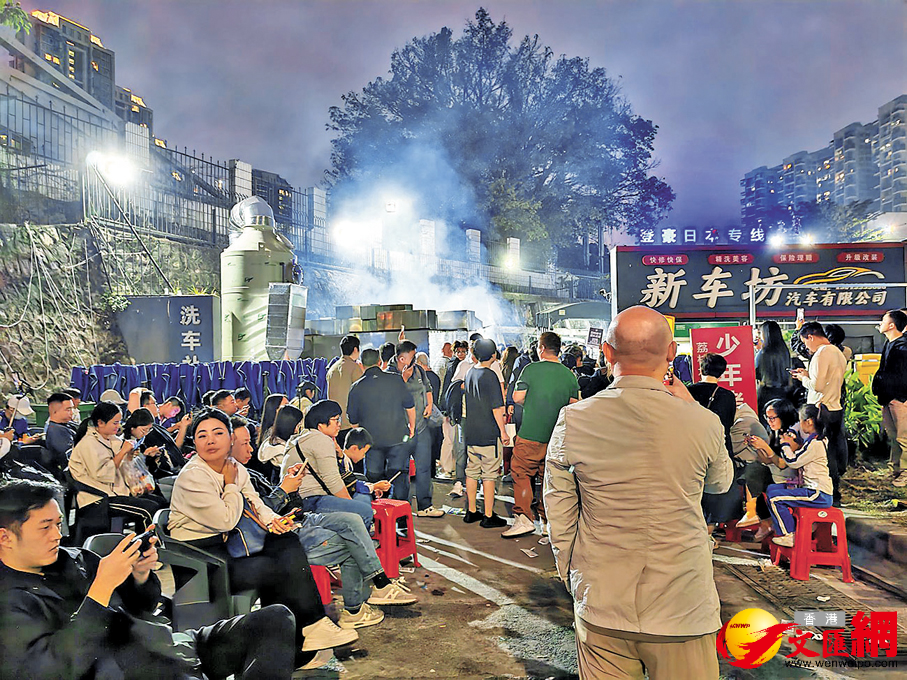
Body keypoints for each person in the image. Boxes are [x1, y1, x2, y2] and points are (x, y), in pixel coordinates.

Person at [544, 306, 732, 680]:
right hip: (682, 604)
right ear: (671, 353)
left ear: (607, 353)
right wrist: (691, 406)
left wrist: (572, 574)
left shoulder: (575, 419)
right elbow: (720, 483)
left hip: (602, 599)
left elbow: (558, 507)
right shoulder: (703, 421)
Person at [0, 479, 299, 679]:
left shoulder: (72, 559)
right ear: (5, 538)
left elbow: (143, 605)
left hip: (165, 646)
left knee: (275, 619)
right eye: (45, 528)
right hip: (130, 668)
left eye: (58, 524)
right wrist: (100, 589)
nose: (57, 535)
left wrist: (140, 575)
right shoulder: (10, 601)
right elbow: (56, 669)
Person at [168, 408, 358, 660]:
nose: (210, 440)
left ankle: (312, 628)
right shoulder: (193, 476)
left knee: (285, 540)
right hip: (201, 560)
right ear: (195, 443)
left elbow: (256, 503)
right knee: (274, 569)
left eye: (217, 433)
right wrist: (230, 485)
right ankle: (296, 644)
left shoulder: (234, 467)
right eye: (202, 435)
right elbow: (226, 520)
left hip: (227, 547)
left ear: (230, 438)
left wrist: (274, 521)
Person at [229, 418, 415, 631]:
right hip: (286, 531)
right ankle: (357, 607)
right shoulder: (232, 478)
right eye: (245, 443)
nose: (251, 448)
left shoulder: (246, 471)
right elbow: (255, 515)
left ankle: (378, 586)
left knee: (353, 520)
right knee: (356, 537)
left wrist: (289, 482)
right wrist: (284, 490)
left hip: (298, 516)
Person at [508, 331, 579, 539]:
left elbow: (517, 397)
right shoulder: (569, 375)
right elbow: (574, 405)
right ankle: (546, 521)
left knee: (521, 472)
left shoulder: (531, 369)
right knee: (547, 477)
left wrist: (532, 404)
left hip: (530, 433)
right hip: (556, 436)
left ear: (541, 348)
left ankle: (524, 519)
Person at [68, 402, 166, 531]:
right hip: (99, 498)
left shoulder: (110, 438)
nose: (118, 426)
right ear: (100, 423)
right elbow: (102, 474)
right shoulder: (88, 444)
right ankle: (147, 542)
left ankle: (154, 539)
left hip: (117, 491)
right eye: (115, 423)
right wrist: (123, 452)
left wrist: (130, 455)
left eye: (119, 422)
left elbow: (123, 465)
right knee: (148, 510)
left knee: (161, 502)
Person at [281, 400, 375, 529]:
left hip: (299, 501)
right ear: (321, 424)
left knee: (362, 499)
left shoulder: (302, 437)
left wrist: (339, 453)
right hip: (311, 501)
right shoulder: (320, 439)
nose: (339, 424)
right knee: (364, 512)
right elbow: (332, 480)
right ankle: (355, 539)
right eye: (336, 420)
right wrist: (351, 504)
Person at [758, 404, 834, 547]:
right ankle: (790, 525)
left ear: (809, 421)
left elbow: (793, 461)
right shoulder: (815, 440)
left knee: (775, 498)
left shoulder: (816, 444)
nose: (799, 424)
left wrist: (785, 444)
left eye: (801, 421)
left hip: (817, 493)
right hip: (812, 490)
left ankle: (789, 534)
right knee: (772, 489)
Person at [347, 348, 416, 502]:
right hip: (398, 437)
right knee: (399, 476)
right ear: (379, 362)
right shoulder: (396, 380)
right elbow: (410, 406)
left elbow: (353, 420)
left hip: (372, 442)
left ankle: (377, 512)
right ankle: (401, 512)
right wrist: (411, 427)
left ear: (361, 365)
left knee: (374, 479)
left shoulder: (357, 387)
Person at [791, 322, 847, 505]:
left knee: (824, 454)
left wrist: (803, 378)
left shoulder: (821, 353)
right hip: (835, 407)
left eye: (805, 342)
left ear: (810, 336)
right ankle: (835, 492)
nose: (806, 347)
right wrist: (808, 374)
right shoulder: (837, 352)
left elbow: (817, 386)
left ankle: (830, 493)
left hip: (821, 409)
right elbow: (827, 380)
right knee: (832, 450)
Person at [387, 341, 444, 518]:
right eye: (412, 356)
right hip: (401, 432)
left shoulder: (419, 370)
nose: (415, 359)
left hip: (421, 427)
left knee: (424, 467)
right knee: (401, 470)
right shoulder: (389, 373)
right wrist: (403, 379)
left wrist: (429, 404)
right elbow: (391, 399)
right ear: (401, 358)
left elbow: (428, 388)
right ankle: (401, 508)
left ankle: (425, 506)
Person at [688, 353, 741, 535]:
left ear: (701, 369)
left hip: (693, 446)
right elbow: (729, 423)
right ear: (723, 372)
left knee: (693, 487)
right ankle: (709, 531)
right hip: (720, 446)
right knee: (717, 489)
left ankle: (694, 528)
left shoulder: (688, 391)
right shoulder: (728, 396)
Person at [462, 338, 510, 528]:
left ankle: (471, 511)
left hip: (471, 432)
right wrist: (503, 432)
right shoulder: (490, 376)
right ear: (493, 355)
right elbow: (497, 408)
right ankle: (488, 516)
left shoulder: (470, 372)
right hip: (489, 433)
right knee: (489, 474)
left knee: (472, 471)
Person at [743, 399, 801, 541]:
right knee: (751, 470)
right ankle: (762, 518)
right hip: (776, 474)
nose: (769, 421)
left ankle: (763, 520)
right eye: (767, 417)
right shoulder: (775, 432)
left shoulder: (792, 435)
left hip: (790, 480)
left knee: (755, 473)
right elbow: (767, 460)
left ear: (784, 416)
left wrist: (765, 447)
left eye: (772, 418)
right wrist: (756, 446)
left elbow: (782, 464)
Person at [872, 310, 907, 487]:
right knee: (893, 437)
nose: (880, 323)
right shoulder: (890, 344)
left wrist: (900, 397)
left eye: (883, 320)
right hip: (888, 398)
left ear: (892, 325)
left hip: (899, 398)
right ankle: (895, 470)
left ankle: (905, 472)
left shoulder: (903, 347)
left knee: (903, 437)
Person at [327, 335, 365, 446]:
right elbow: (361, 394)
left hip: (335, 423)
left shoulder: (332, 368)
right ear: (355, 349)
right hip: (351, 423)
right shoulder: (354, 368)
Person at [754, 320, 792, 422]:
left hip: (767, 393)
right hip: (783, 392)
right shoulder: (784, 351)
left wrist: (758, 351)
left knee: (767, 422)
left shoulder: (763, 352)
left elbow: (756, 373)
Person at [258, 404, 304, 471]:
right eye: (298, 426)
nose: (297, 430)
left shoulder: (271, 441)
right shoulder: (282, 453)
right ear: (289, 425)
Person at [44, 392, 78, 463]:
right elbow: (70, 457)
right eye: (68, 409)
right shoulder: (56, 431)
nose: (72, 413)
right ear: (54, 411)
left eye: (72, 409)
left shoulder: (68, 424)